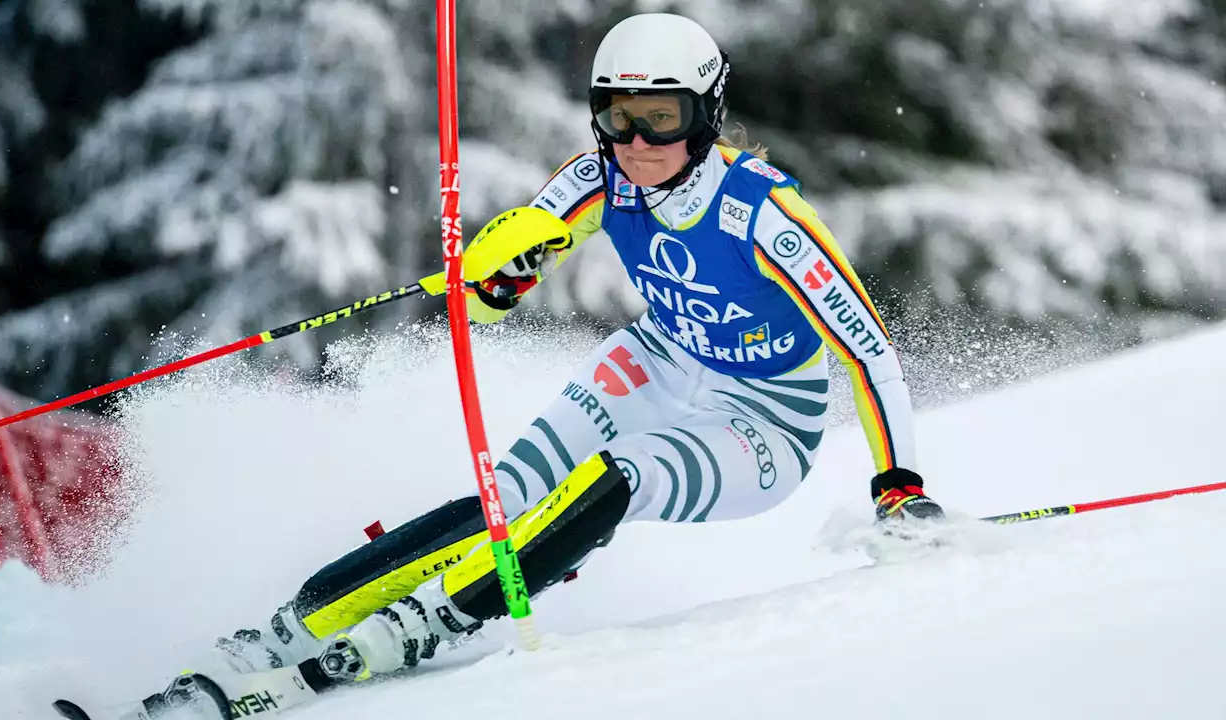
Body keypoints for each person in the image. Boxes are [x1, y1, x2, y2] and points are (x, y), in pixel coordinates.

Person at [211, 11, 943, 690]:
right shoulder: (599, 179)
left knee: (622, 476)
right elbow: (487, 297)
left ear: (706, 113)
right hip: (657, 363)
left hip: (764, 420)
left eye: (663, 120)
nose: (637, 144)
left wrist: (899, 488)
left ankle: (432, 619)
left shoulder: (766, 216)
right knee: (509, 498)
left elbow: (868, 352)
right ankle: (287, 630)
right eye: (618, 119)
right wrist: (499, 276)